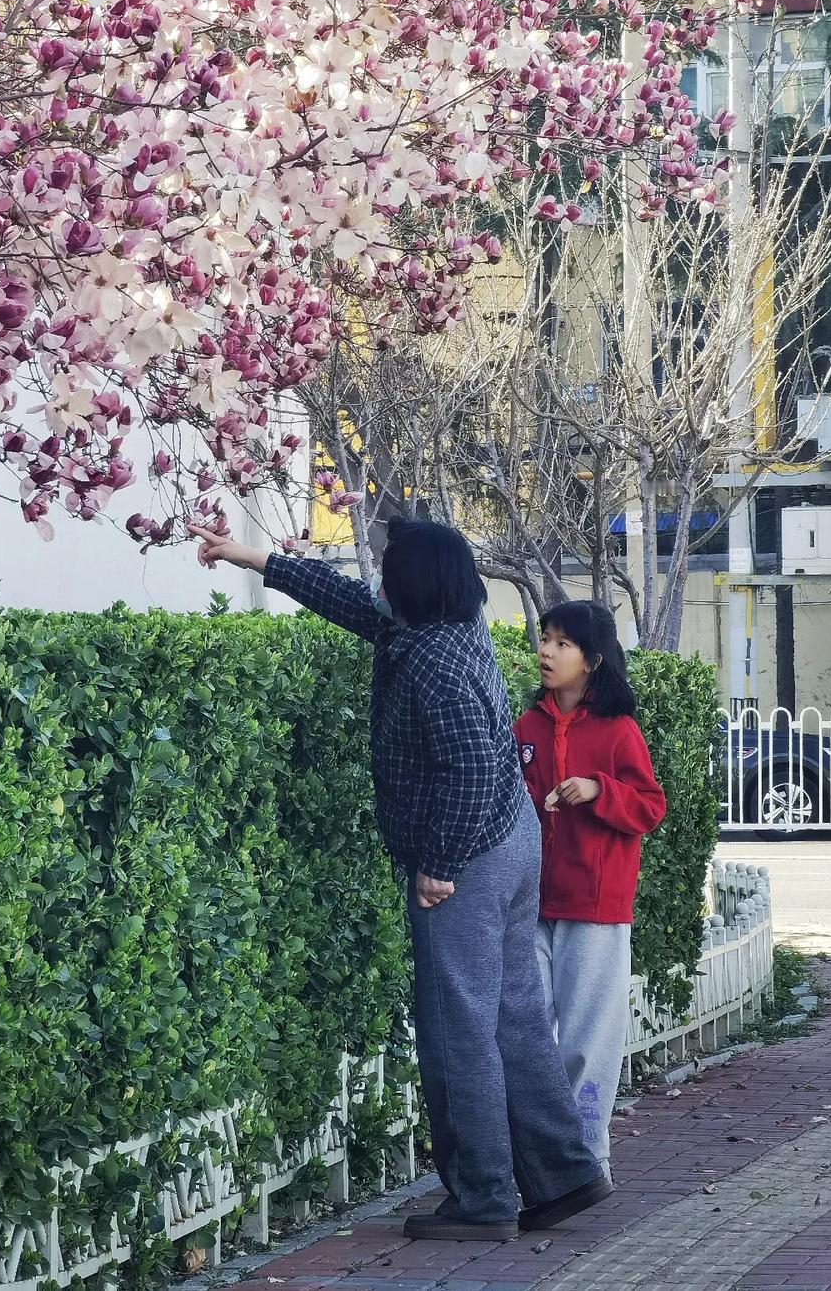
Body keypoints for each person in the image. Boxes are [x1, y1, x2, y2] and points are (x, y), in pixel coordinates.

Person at [189, 517, 610, 1242]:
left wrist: (441, 867)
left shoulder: (430, 661)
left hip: (470, 853)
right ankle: (564, 1176)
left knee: (458, 1028)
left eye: (388, 569)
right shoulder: (454, 622)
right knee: (513, 1017)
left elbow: (472, 768)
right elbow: (356, 605)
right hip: (512, 841)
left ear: (413, 584)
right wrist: (253, 558)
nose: (379, 579)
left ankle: (482, 1200)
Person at [513, 601, 667, 1176]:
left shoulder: (619, 730)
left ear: (593, 660)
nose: (547, 651)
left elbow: (650, 806)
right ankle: (538, 1157)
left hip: (596, 909)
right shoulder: (526, 726)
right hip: (529, 903)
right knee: (528, 1035)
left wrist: (599, 790)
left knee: (587, 1040)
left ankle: (586, 1158)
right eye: (545, 639)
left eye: (562, 643)